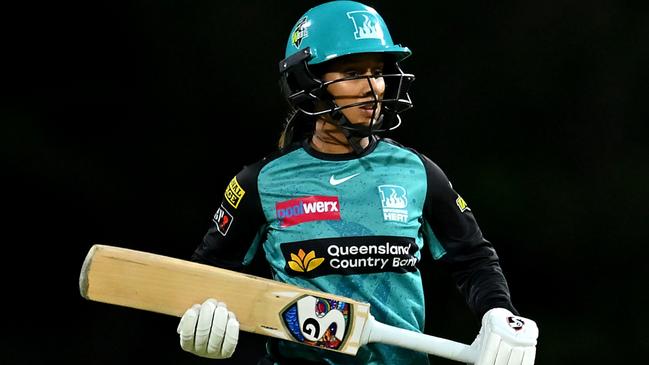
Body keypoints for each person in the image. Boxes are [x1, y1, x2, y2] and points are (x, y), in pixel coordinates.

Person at [176, 1, 538, 364]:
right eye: (351, 72)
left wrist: (497, 312)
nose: (373, 87)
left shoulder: (415, 172)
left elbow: (473, 257)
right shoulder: (261, 183)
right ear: (309, 81)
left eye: (377, 71)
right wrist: (206, 322)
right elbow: (207, 277)